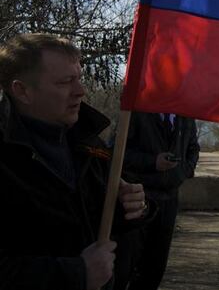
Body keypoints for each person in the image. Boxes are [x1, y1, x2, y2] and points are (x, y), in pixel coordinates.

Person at [0, 33, 150, 290]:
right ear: (22, 90)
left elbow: (95, 220)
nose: (80, 91)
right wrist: (75, 274)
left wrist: (131, 205)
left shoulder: (88, 142)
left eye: (79, 78)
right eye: (65, 82)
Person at [114, 112, 200, 290]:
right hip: (138, 199)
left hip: (169, 200)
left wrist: (184, 171)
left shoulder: (185, 115)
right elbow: (117, 152)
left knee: (154, 270)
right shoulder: (137, 113)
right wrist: (153, 162)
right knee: (125, 269)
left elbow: (193, 148)